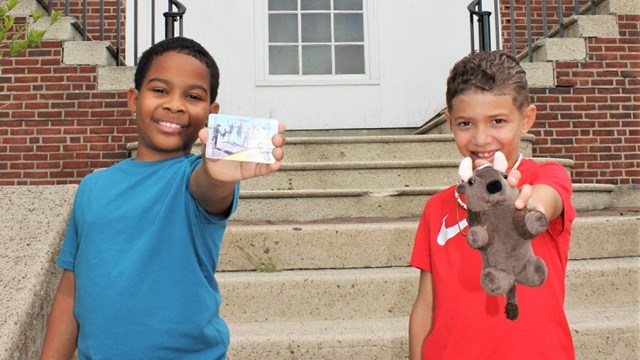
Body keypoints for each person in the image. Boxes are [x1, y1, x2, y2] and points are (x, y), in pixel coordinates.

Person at [40, 36, 286, 359]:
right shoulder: (91, 188)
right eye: (160, 90)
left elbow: (209, 189)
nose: (175, 104)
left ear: (211, 114)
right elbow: (70, 294)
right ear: (133, 99)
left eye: (193, 96)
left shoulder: (194, 178)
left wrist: (216, 173)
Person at [408, 50, 576, 359]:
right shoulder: (436, 208)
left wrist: (528, 207)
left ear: (526, 120)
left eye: (497, 121)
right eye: (466, 123)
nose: (481, 138)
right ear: (449, 122)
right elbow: (425, 305)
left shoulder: (545, 176)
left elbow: (545, 200)